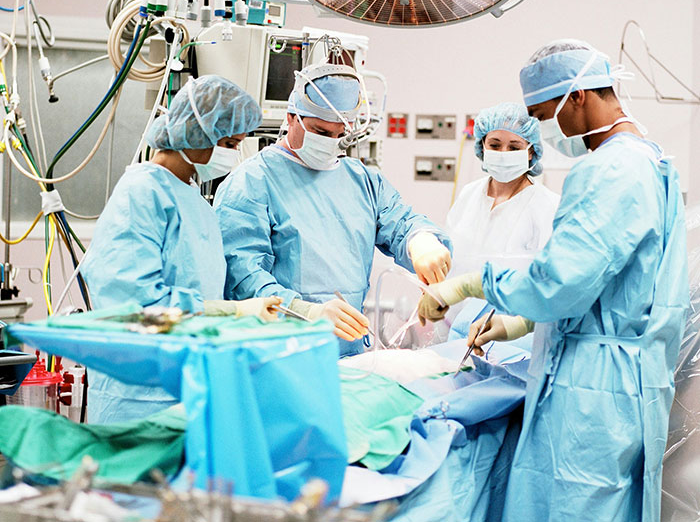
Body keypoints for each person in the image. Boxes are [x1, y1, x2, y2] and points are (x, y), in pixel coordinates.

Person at [417, 40, 688, 522]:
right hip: (622, 379)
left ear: (577, 96)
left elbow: (558, 283)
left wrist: (467, 285)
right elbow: (603, 281)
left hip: (593, 390)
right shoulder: (648, 160)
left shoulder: (611, 170)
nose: (548, 130)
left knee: (569, 505)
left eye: (544, 115)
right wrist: (516, 325)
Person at [214, 63, 452, 357]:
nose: (329, 142)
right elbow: (243, 278)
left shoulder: (361, 179)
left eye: (339, 134)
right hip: (277, 355)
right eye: (319, 131)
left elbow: (401, 222)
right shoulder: (251, 183)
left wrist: (421, 241)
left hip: (348, 353)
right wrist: (305, 312)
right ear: (291, 118)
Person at [82, 75, 282, 424]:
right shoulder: (142, 194)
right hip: (139, 396)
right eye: (230, 143)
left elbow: (200, 290)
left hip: (189, 385)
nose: (232, 155)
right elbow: (133, 305)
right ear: (197, 133)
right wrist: (231, 313)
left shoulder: (195, 200)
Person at [445, 102, 559, 333]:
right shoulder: (469, 195)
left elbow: (551, 285)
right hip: (455, 329)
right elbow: (449, 256)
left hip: (514, 338)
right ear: (482, 147)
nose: (503, 154)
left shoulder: (547, 206)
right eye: (494, 145)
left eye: (514, 146)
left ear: (531, 151)